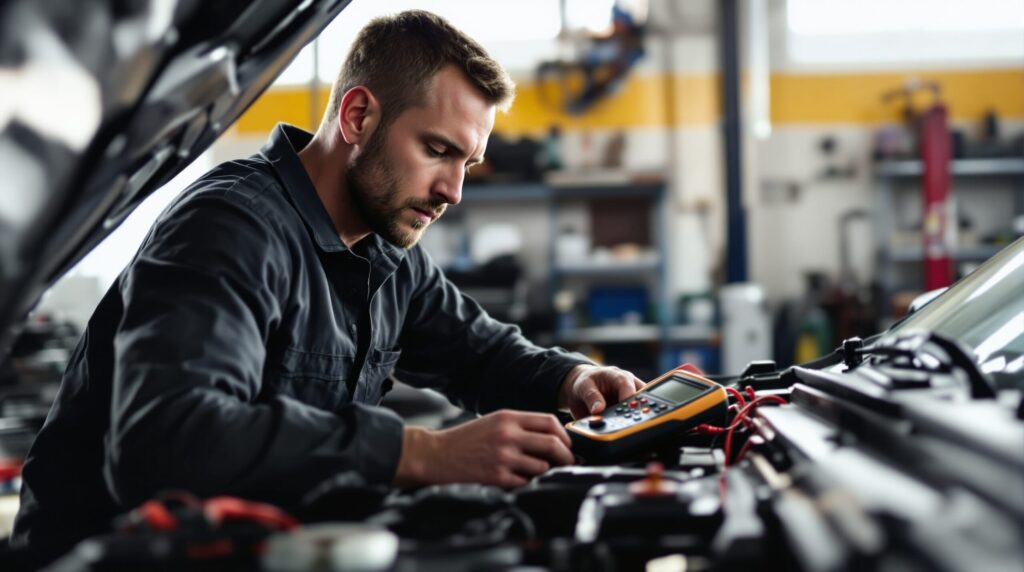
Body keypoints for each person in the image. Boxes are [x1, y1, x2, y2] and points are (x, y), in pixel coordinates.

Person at [11, 10, 643, 556]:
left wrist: (572, 378)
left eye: (467, 164)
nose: (454, 191)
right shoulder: (230, 229)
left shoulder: (382, 247)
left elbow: (479, 350)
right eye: (438, 151)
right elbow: (167, 440)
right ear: (359, 115)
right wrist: (420, 454)